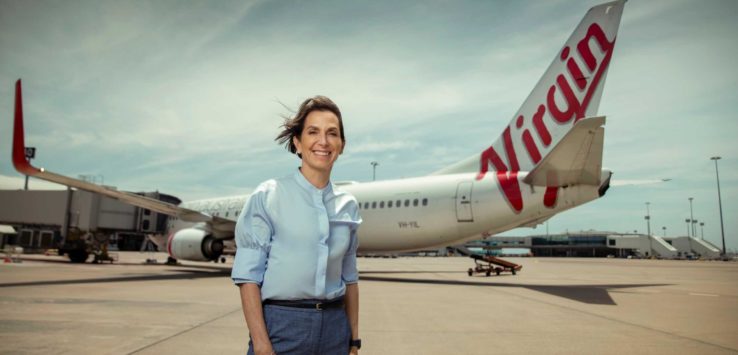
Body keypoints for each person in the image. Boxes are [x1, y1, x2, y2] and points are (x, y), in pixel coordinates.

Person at [232, 96, 362, 355]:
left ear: (342, 145)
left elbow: (350, 279)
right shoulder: (268, 195)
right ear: (297, 142)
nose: (323, 141)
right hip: (281, 328)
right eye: (313, 132)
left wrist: (353, 341)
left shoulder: (349, 205)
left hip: (336, 328)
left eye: (332, 133)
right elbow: (248, 277)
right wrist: (261, 343)